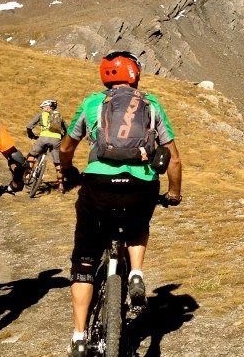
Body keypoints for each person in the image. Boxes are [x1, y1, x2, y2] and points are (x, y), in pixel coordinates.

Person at [59, 50, 182, 357]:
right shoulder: (151, 104)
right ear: (135, 75)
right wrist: (174, 193)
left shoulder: (91, 104)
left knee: (84, 260)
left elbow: (66, 146)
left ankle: (78, 337)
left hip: (97, 185)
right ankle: (136, 273)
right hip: (141, 185)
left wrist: (68, 171)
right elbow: (174, 158)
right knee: (138, 227)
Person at [26, 99, 68, 192]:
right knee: (57, 163)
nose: (43, 108)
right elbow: (67, 130)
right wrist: (61, 138)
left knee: (32, 155)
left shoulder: (41, 115)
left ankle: (28, 174)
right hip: (56, 140)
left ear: (47, 107)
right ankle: (61, 185)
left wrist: (31, 134)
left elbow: (29, 126)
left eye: (43, 107)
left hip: (43, 138)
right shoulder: (59, 116)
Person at [0, 115, 26, 193]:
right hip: (1, 142)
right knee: (12, 160)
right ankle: (17, 182)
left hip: (3, 140)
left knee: (15, 159)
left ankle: (18, 182)